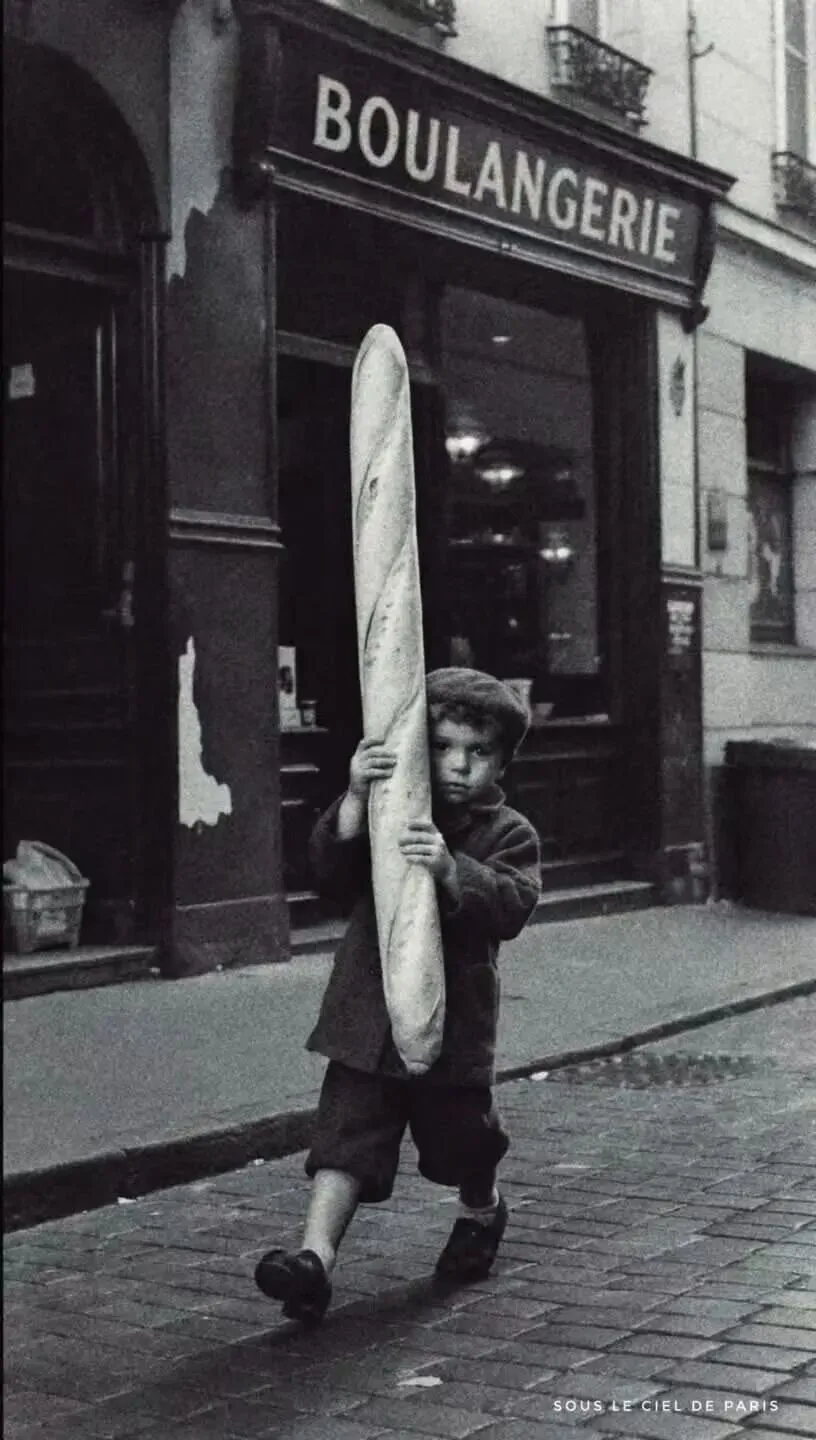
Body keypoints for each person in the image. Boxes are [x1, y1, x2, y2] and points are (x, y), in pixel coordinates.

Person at [254, 667, 541, 1325]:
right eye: (442, 747)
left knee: (460, 1141)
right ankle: (314, 1261)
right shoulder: (391, 806)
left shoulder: (509, 831)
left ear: (502, 761)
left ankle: (482, 1208)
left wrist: (451, 868)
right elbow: (330, 874)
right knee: (345, 1136)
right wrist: (357, 796)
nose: (458, 765)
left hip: (452, 1024)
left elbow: (512, 905)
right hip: (367, 1012)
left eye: (478, 751)